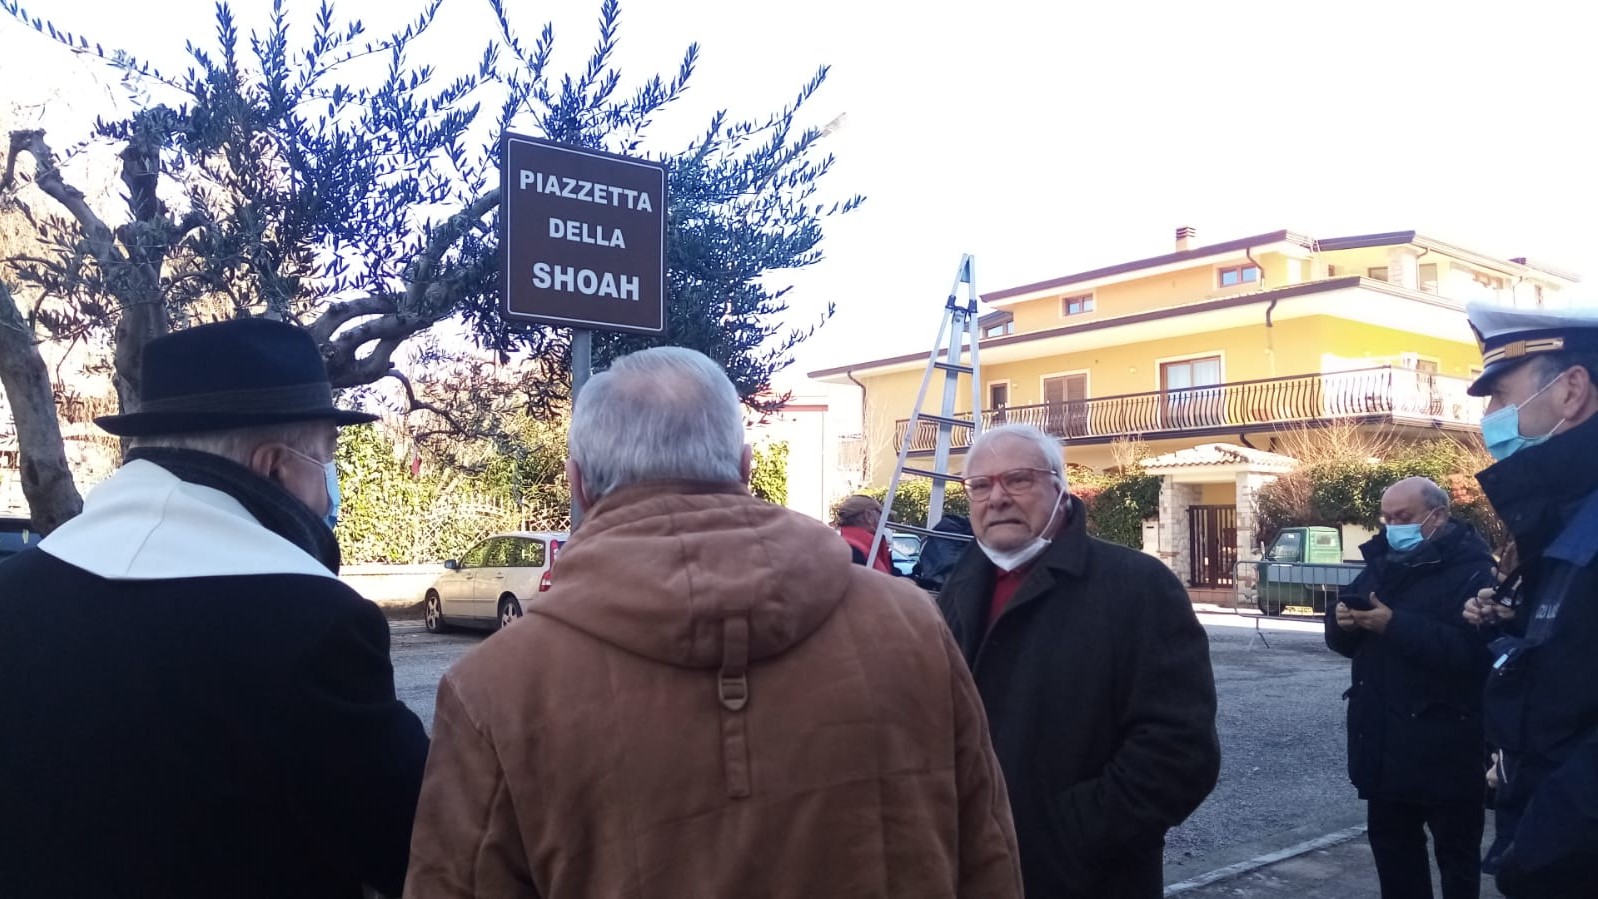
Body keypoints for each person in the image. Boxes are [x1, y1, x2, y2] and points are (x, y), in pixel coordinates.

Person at [405, 347, 1022, 898]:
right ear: (747, 467)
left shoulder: (494, 688)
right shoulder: (913, 624)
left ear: (579, 486)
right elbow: (989, 855)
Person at [0, 318, 429, 899]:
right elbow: (421, 842)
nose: (330, 489)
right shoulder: (314, 626)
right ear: (274, 467)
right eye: (328, 459)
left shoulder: (15, 589)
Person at [936, 422, 1220, 898]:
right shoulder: (957, 589)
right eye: (980, 485)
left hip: (1082, 879)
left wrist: (1068, 835)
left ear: (1059, 486)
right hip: (970, 872)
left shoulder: (1137, 586)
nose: (997, 497)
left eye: (1018, 479)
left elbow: (1179, 752)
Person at [1458, 302, 1598, 898]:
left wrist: (1533, 851)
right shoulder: (1566, 511)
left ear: (1571, 390)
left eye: (1499, 395)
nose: (1490, 417)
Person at [1326, 476, 1496, 899]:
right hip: (1384, 747)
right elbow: (1343, 635)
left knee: (1458, 864)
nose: (1392, 527)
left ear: (1437, 517)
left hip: (1448, 749)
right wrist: (1342, 623)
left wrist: (1393, 625)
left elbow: (1473, 655)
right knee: (1395, 861)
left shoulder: (1475, 572)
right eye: (1386, 518)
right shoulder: (1380, 564)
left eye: (1403, 517)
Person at [833, 492, 893, 572]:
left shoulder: (845, 546)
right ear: (869, 516)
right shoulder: (854, 552)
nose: (884, 520)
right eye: (880, 514)